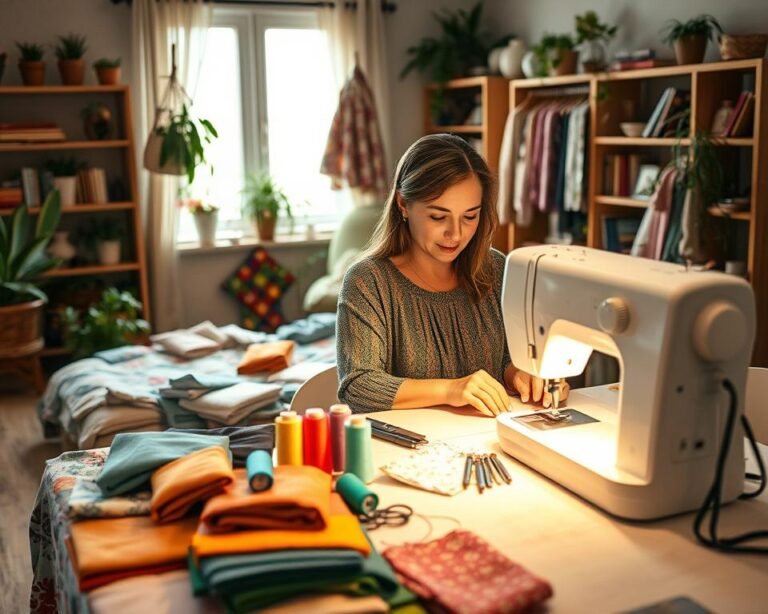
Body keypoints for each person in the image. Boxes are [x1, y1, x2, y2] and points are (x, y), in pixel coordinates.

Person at [336, 133, 569, 416]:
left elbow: (507, 356)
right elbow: (358, 387)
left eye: (470, 217)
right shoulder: (368, 281)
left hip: (479, 438)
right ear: (403, 205)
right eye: (438, 217)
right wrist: (452, 389)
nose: (456, 234)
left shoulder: (496, 269)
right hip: (409, 450)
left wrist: (522, 375)